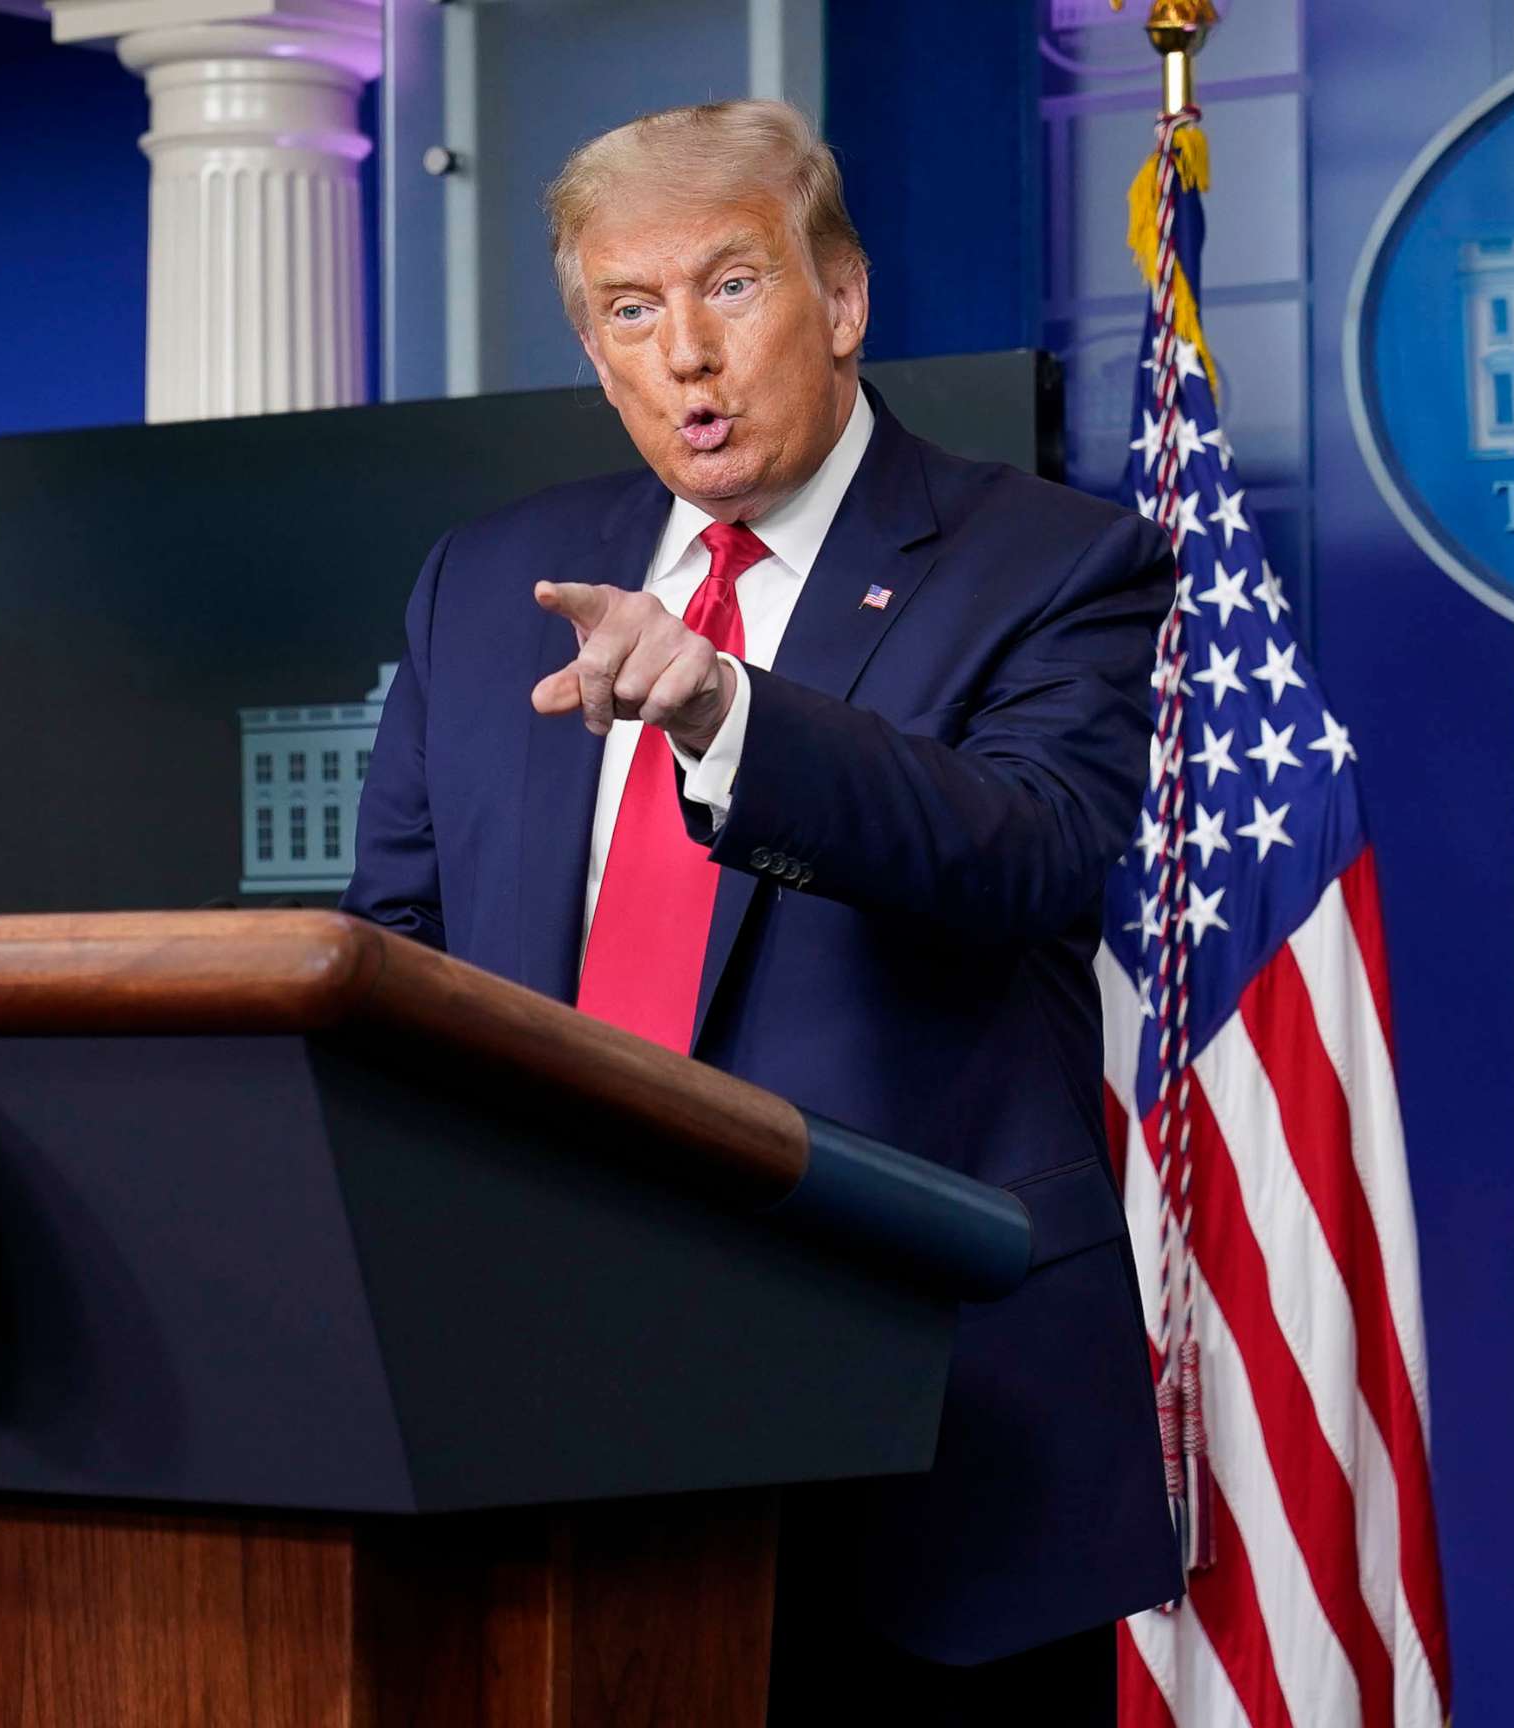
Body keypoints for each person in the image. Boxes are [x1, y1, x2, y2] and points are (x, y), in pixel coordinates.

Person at [341, 100, 1181, 1720]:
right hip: (555, 1432)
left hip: (930, 1445)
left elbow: (1033, 853)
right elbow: (398, 948)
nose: (683, 357)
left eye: (728, 287)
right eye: (628, 311)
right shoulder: (483, 578)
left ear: (842, 299)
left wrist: (733, 713)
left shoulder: (1053, 563)